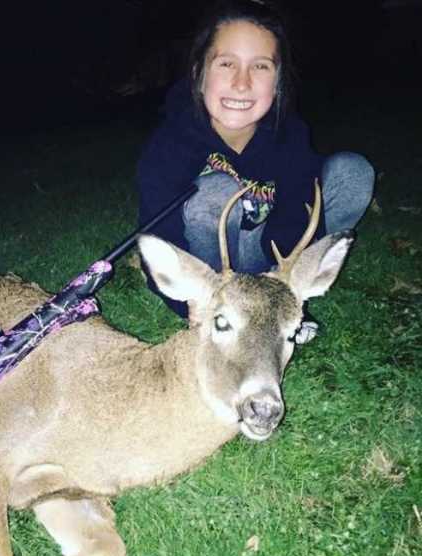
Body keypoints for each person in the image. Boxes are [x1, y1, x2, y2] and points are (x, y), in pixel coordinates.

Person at [137, 0, 374, 336]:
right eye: (226, 64)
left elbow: (297, 212)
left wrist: (283, 289)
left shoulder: (290, 135)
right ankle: (222, 307)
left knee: (353, 172)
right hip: (213, 274)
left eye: (261, 67)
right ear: (198, 74)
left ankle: (283, 298)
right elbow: (161, 239)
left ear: (278, 82)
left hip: (268, 259)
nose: (242, 82)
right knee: (215, 191)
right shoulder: (169, 145)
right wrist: (193, 302)